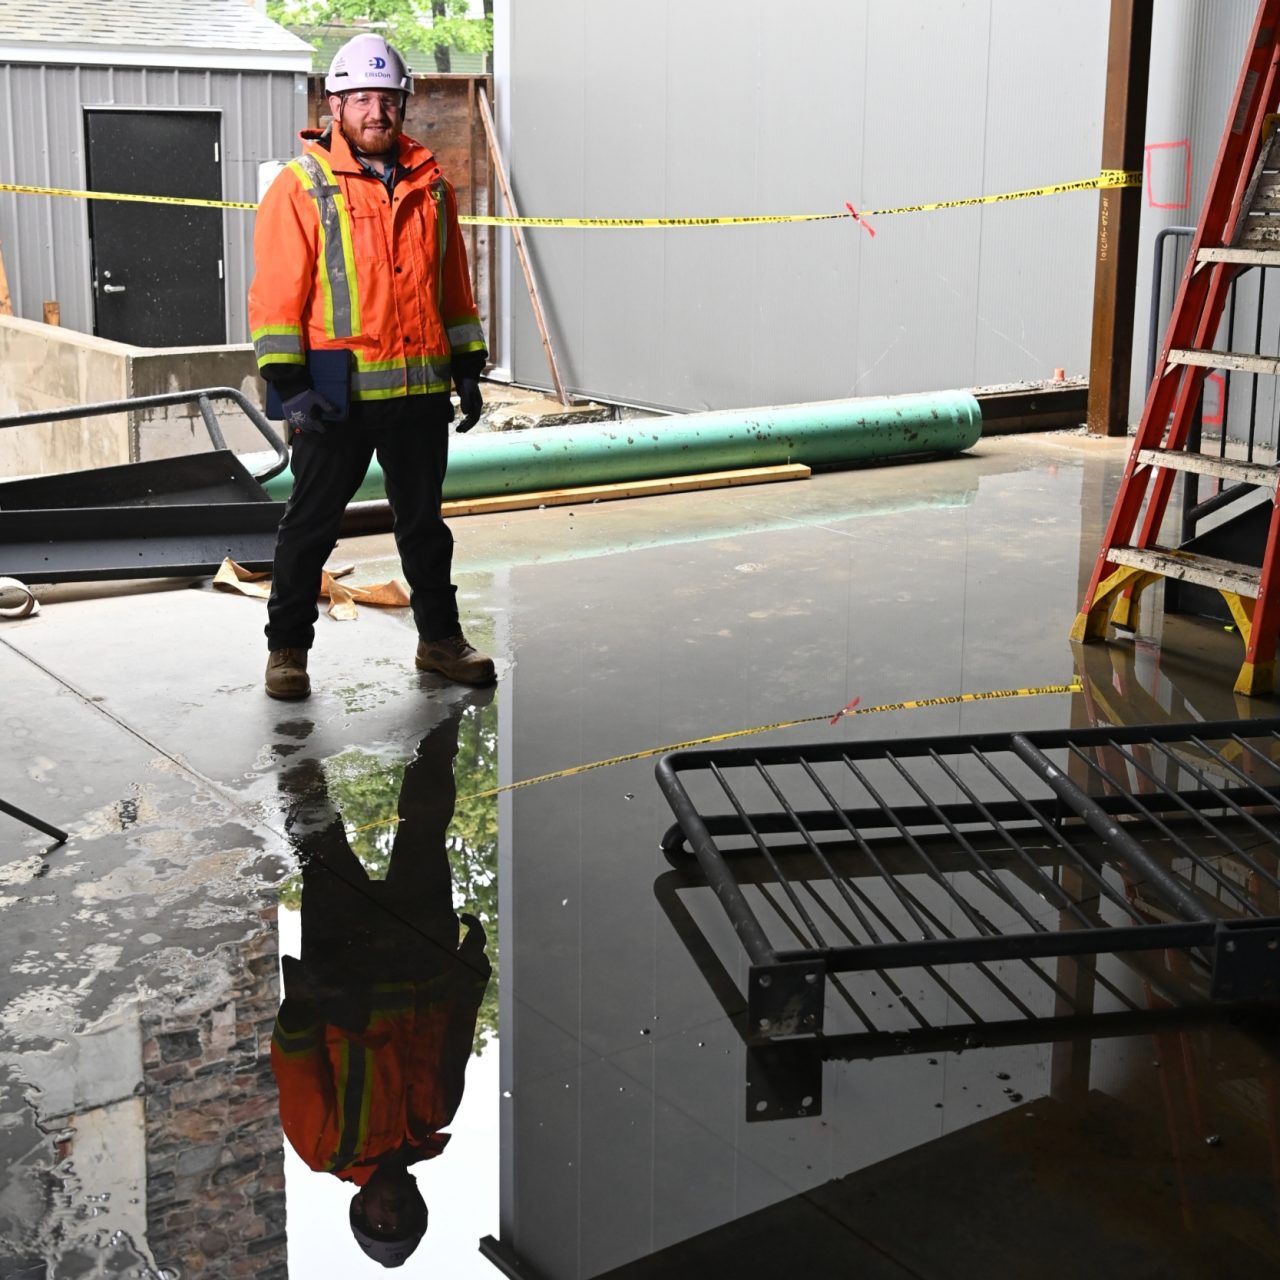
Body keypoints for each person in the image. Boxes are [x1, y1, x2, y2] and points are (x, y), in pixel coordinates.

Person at [249, 32, 495, 700]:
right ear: (334, 104)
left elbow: (452, 285)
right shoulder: (302, 186)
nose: (375, 112)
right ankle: (288, 653)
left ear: (403, 103)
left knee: (424, 526)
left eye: (385, 98)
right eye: (360, 98)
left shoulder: (431, 184)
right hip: (335, 390)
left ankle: (440, 642)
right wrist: (287, 380)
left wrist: (467, 361)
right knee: (310, 526)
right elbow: (276, 292)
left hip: (418, 388)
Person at [272, 693, 493, 1268]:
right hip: (420, 948)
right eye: (404, 1221)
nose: (391, 1214)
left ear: (361, 1209)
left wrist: (307, 1001)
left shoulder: (327, 1150)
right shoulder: (436, 1119)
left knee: (319, 845)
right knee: (426, 830)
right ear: (419, 1205)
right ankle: (439, 725)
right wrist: (472, 974)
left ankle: (290, 739)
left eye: (380, 1223)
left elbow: (295, 1062)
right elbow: (454, 1039)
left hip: (348, 960)